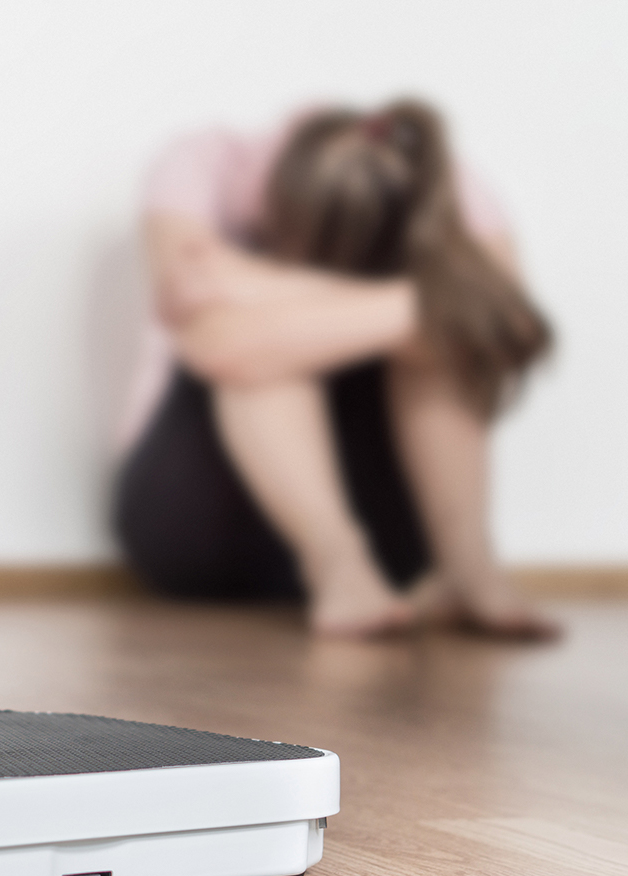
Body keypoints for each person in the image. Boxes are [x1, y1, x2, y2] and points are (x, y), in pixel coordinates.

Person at [113, 99, 560, 640]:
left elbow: (510, 328)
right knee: (263, 340)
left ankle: (469, 568)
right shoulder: (206, 162)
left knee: (442, 347)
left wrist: (257, 280)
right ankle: (336, 563)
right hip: (199, 524)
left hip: (391, 538)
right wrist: (434, 303)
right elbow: (207, 327)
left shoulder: (443, 178)